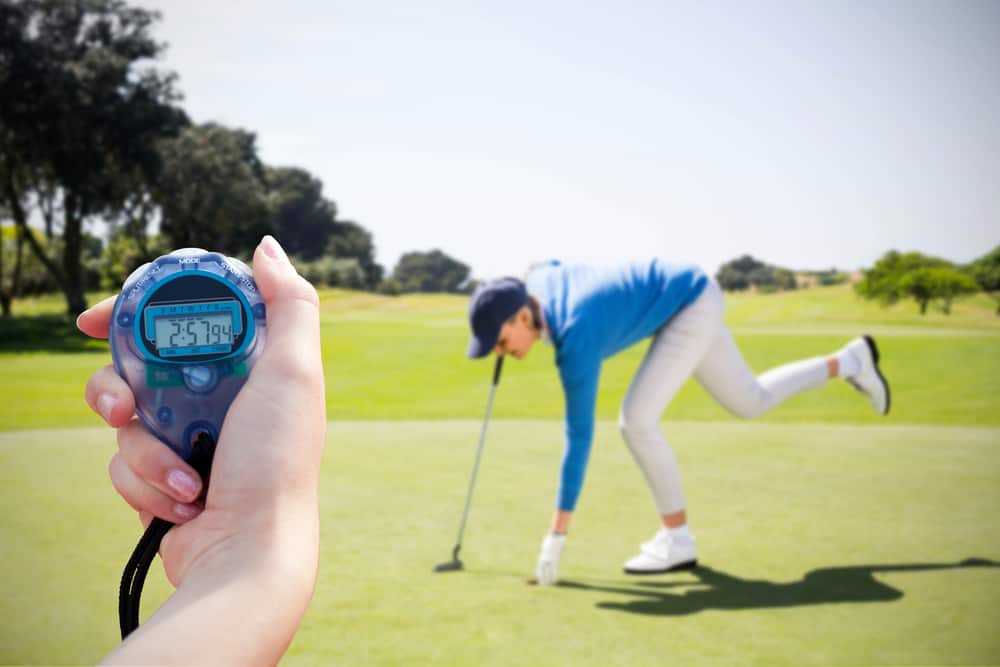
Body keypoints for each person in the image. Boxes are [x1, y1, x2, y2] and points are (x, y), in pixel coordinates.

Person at [465, 259, 889, 586]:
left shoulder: (575, 333)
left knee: (637, 420)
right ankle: (850, 361)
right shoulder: (534, 284)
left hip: (689, 303)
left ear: (523, 317)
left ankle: (677, 539)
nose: (501, 352)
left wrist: (556, 536)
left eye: (501, 342)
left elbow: (579, 438)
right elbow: (549, 265)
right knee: (750, 400)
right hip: (689, 291)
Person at [77, 236, 326, 665]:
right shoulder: (176, 310)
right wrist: (243, 558)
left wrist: (244, 549)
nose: (195, 373)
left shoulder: (147, 313)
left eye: (206, 330)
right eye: (179, 332)